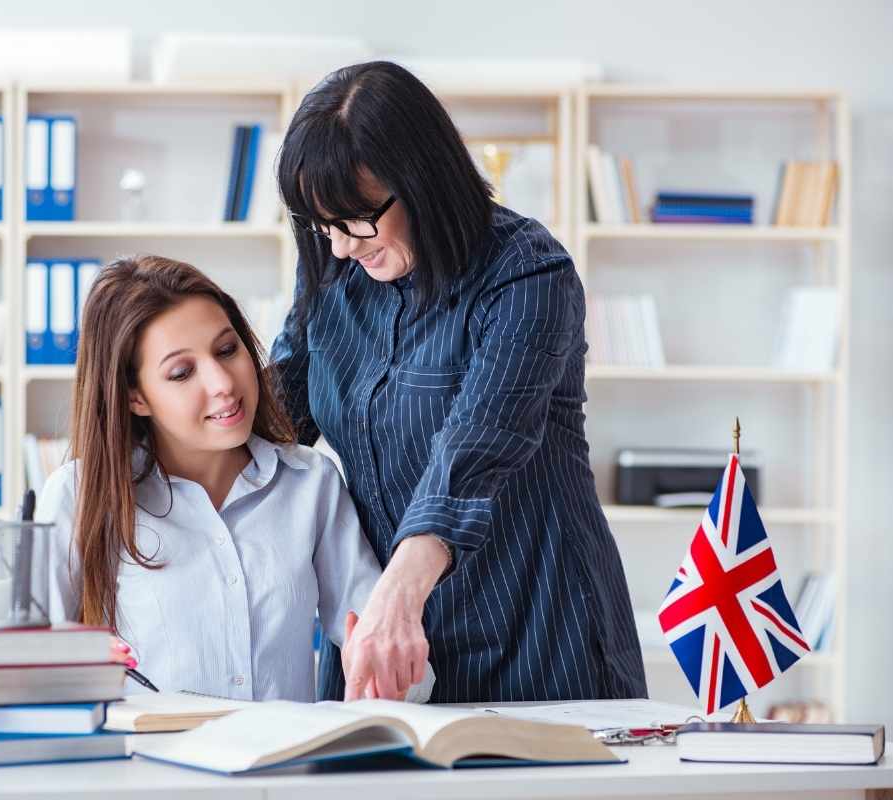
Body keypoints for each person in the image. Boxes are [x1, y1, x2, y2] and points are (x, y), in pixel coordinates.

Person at [271, 60, 647, 703]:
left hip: (535, 632)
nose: (339, 246)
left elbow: (477, 444)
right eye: (322, 224)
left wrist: (398, 594)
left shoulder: (527, 272)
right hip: (386, 638)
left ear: (423, 181)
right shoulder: (334, 271)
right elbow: (276, 420)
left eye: (357, 219)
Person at [37, 254, 432, 702]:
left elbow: (398, 662)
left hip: (283, 766)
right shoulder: (79, 495)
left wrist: (388, 670)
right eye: (182, 373)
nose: (223, 382)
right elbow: (24, 675)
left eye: (227, 350)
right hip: (147, 767)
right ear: (135, 397)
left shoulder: (310, 483)